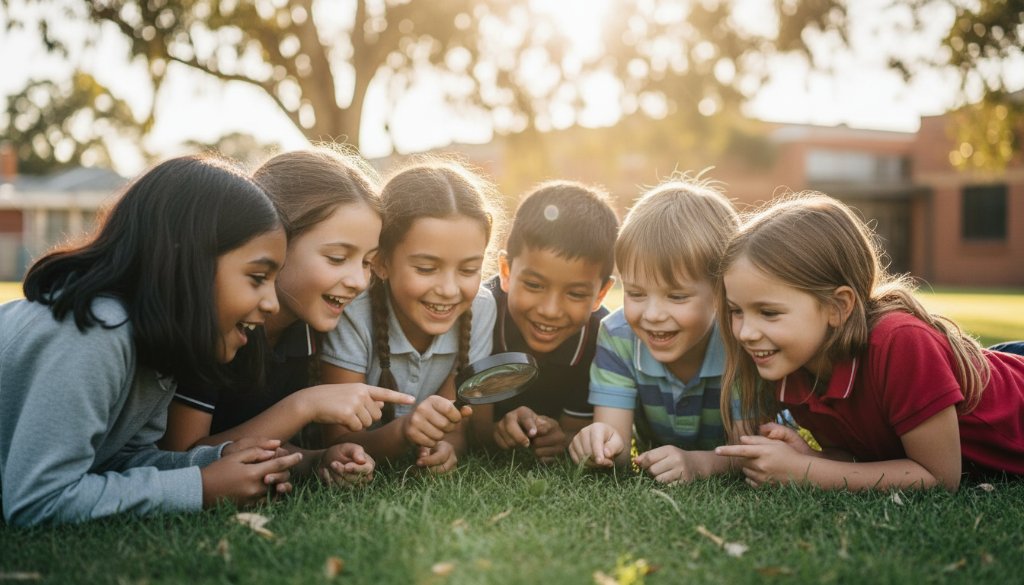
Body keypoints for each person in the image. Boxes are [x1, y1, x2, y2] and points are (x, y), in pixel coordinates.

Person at [0, 156, 302, 526]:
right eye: (257, 277)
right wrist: (202, 487)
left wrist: (215, 462)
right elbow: (37, 500)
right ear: (187, 259)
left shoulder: (154, 345)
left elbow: (118, 460)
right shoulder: (97, 330)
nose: (272, 304)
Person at [715, 193, 1024, 490]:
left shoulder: (901, 342)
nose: (746, 333)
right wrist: (811, 458)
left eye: (768, 312)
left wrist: (804, 471)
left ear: (838, 307)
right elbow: (866, 458)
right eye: (736, 311)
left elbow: (939, 476)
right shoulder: (792, 363)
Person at [161, 149, 414, 487]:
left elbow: (259, 439)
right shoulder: (218, 324)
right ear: (273, 240)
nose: (358, 280)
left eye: (367, 261)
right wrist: (305, 405)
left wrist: (314, 460)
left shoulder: (307, 329)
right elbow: (179, 456)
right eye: (337, 258)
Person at [319, 159, 502, 474]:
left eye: (469, 269)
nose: (448, 289)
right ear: (382, 262)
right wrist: (403, 433)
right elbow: (336, 440)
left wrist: (446, 447)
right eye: (426, 268)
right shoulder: (354, 310)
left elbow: (454, 426)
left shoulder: (481, 308)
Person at [568, 175, 741, 484]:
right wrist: (600, 443)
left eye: (676, 296)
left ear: (721, 292)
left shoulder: (742, 342)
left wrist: (698, 464)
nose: (652, 315)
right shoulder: (618, 336)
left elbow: (753, 454)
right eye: (636, 294)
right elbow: (618, 458)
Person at [472, 181, 618, 462]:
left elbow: (576, 431)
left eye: (575, 293)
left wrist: (560, 439)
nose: (550, 310)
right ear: (506, 271)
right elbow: (471, 430)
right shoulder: (478, 315)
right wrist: (494, 431)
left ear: (601, 293)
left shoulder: (601, 338)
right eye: (535, 285)